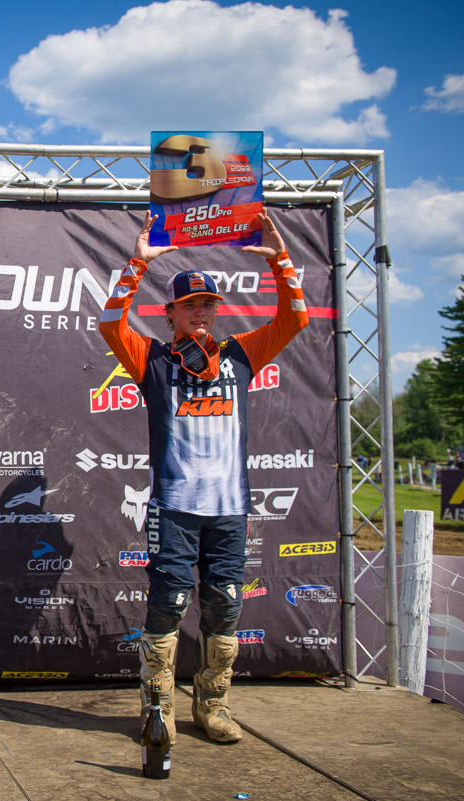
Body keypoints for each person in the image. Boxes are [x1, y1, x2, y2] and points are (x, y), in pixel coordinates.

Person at [99, 211, 308, 745]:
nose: (200, 312)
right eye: (190, 304)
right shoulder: (153, 359)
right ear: (169, 312)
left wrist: (281, 261)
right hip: (175, 509)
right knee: (167, 605)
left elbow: (295, 320)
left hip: (229, 510)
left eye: (208, 304)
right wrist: (137, 263)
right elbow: (110, 325)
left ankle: (212, 706)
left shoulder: (240, 354)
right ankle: (159, 709)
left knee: (225, 606)